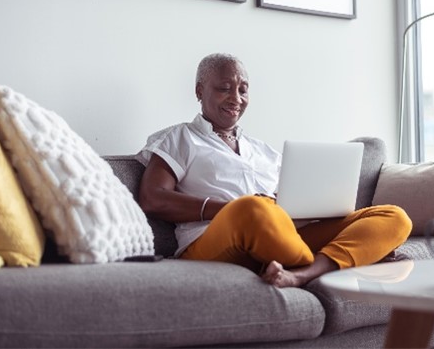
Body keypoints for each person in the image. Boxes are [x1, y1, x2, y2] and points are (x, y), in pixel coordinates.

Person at [137, 53, 412, 288]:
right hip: (213, 241)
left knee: (394, 216)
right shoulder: (179, 138)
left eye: (243, 90)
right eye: (224, 88)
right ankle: (347, 258)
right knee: (253, 209)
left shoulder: (264, 151)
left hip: (282, 234)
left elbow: (290, 203)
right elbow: (153, 198)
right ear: (200, 91)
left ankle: (302, 273)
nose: (236, 98)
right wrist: (230, 208)